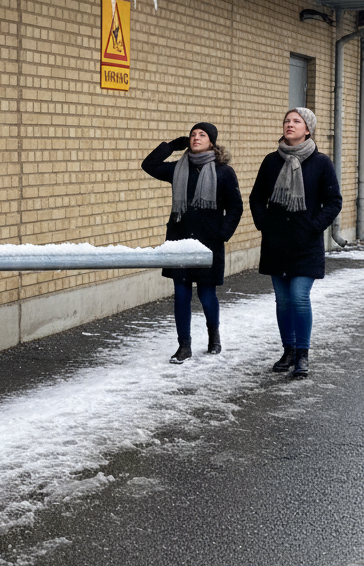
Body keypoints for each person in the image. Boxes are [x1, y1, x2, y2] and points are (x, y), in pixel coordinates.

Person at [249, 106, 341, 379]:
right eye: (287, 121)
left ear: (308, 129)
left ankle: (302, 353)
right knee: (283, 300)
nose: (290, 125)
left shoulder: (321, 162)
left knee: (299, 298)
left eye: (296, 121)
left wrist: (313, 226)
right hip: (276, 242)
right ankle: (288, 350)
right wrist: (265, 224)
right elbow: (257, 198)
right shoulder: (271, 161)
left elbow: (334, 201)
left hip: (305, 243)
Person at [141, 123, 243, 363]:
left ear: (212, 142)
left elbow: (235, 207)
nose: (196, 138)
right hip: (179, 241)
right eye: (193, 135)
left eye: (202, 135)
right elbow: (149, 165)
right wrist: (172, 146)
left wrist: (221, 235)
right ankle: (184, 346)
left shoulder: (223, 172)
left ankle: (213, 336)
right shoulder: (178, 169)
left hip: (209, 243)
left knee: (207, 295)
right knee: (181, 295)